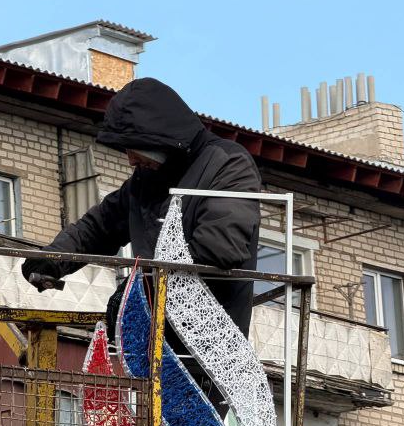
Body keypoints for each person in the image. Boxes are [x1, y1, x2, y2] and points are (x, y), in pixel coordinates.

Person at [23, 77, 263, 337]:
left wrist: (139, 286)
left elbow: (218, 249)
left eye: (134, 147)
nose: (130, 160)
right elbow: (99, 227)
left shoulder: (228, 164)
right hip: (151, 336)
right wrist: (51, 260)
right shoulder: (147, 179)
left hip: (210, 340)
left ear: (160, 138)